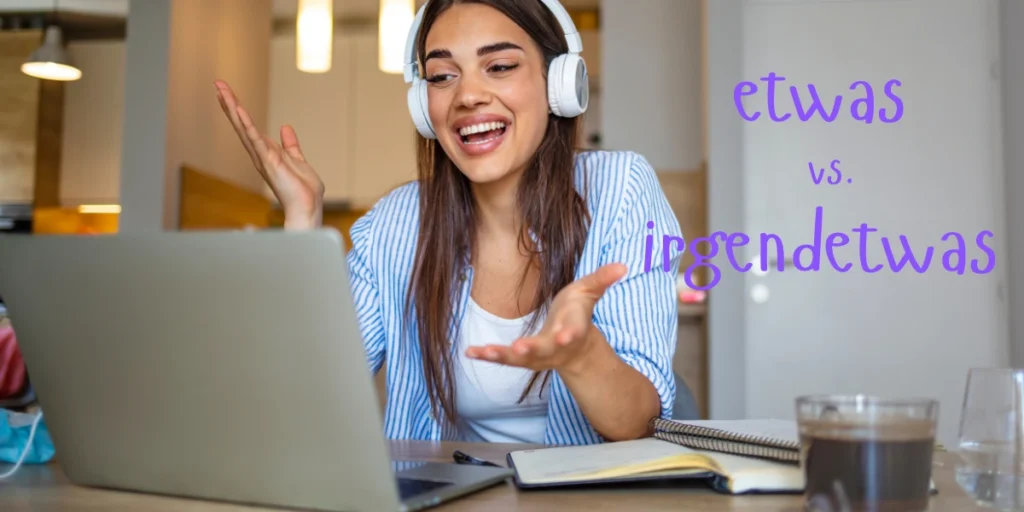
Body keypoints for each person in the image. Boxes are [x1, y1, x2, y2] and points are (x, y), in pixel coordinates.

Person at [213, 0, 684, 445]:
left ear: (558, 82)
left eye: (499, 66)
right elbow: (311, 396)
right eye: (442, 76)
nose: (468, 96)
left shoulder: (620, 190)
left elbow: (638, 422)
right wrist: (302, 221)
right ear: (423, 106)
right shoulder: (395, 226)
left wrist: (583, 356)